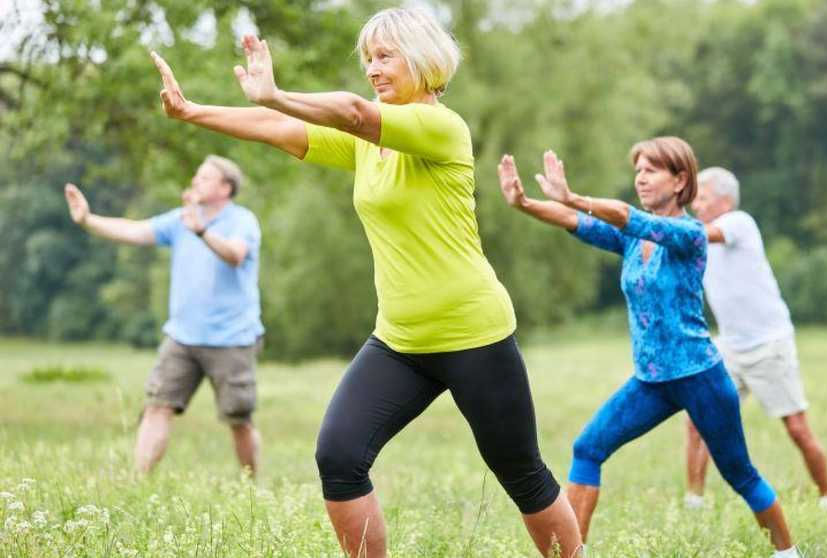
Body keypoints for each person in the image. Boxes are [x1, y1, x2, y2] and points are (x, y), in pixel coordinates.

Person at [150, 8, 582, 558]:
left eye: (386, 56)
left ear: (424, 60)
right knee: (339, 456)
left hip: (473, 334)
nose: (373, 70)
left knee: (520, 471)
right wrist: (193, 112)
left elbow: (352, 112)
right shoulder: (365, 142)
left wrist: (276, 92)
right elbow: (284, 131)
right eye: (368, 59)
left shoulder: (441, 128)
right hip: (400, 340)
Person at [498, 142, 799, 558]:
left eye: (652, 170)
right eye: (638, 169)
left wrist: (574, 196)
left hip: (699, 376)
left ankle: (788, 553)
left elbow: (623, 215)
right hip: (651, 381)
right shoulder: (629, 240)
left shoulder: (690, 235)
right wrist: (525, 203)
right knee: (588, 449)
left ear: (680, 181)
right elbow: (574, 221)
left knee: (739, 474)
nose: (640, 176)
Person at [63, 155, 264, 476]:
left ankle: (251, 488)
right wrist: (88, 220)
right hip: (182, 337)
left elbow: (235, 255)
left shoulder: (242, 221)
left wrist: (202, 231)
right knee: (157, 406)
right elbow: (135, 231)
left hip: (232, 339)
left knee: (238, 420)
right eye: (197, 176)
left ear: (226, 188)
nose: (196, 181)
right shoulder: (180, 220)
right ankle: (138, 481)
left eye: (205, 178)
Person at [685, 166, 827, 510]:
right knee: (698, 421)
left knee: (797, 428)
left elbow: (699, 234)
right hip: (729, 346)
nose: (696, 205)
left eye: (702, 198)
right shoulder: (698, 236)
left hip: (769, 343)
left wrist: (660, 224)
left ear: (724, 200)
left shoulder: (739, 222)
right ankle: (693, 500)